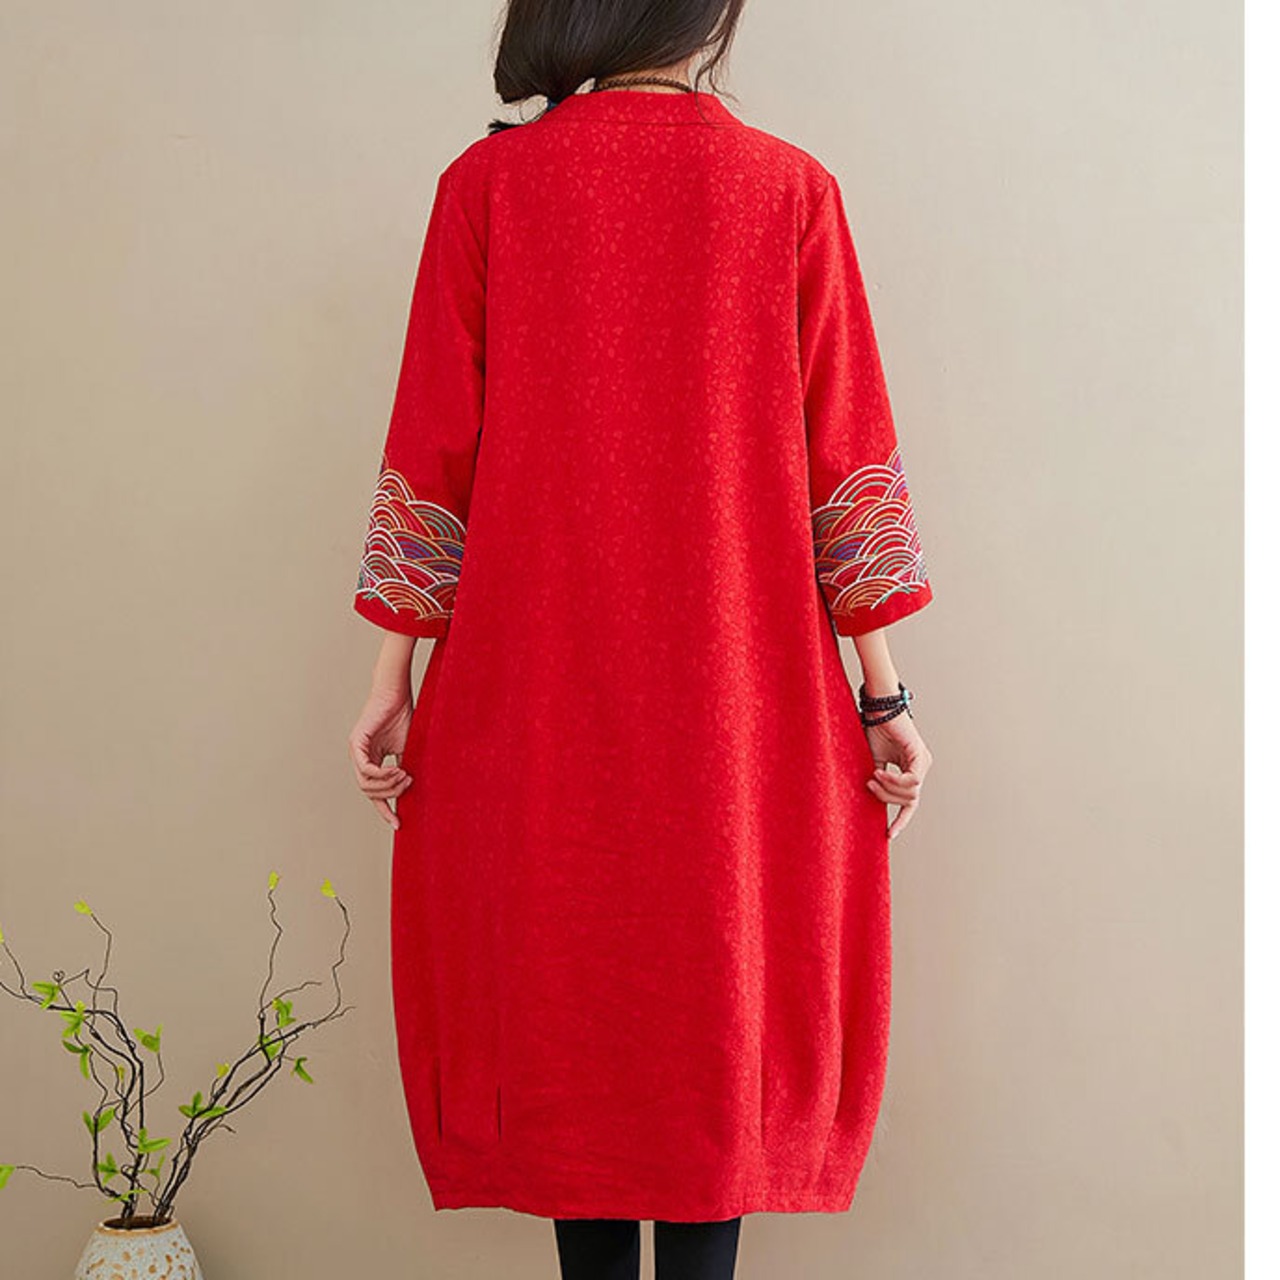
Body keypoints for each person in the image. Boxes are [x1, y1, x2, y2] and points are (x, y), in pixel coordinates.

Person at [347, 3, 935, 1277]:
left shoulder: (487, 187)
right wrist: (882, 697)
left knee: (572, 1002)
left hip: (535, 686)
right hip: (740, 689)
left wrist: (392, 674)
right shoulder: (787, 190)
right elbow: (844, 453)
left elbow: (432, 445)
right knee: (714, 1007)